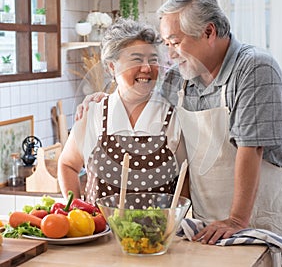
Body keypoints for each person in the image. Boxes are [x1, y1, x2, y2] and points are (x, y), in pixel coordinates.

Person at [75, 0, 282, 243]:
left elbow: (251, 148)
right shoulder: (177, 78)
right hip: (206, 225)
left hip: (255, 221)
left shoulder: (254, 68)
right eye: (167, 45)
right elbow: (141, 94)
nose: (170, 54)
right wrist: (104, 99)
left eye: (175, 42)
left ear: (209, 32)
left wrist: (237, 220)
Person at [58, 18, 189, 206]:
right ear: (112, 67)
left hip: (157, 234)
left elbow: (185, 176)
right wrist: (76, 209)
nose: (147, 68)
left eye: (153, 60)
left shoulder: (171, 115)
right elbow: (68, 165)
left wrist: (177, 220)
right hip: (101, 234)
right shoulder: (93, 114)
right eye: (136, 59)